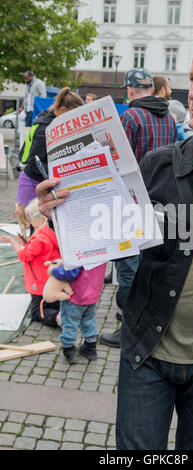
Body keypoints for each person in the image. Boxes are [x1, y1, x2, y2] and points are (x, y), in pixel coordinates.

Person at [36, 34, 193, 450]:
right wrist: (59, 215)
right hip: (146, 353)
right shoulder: (157, 166)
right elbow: (104, 235)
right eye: (192, 79)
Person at [99, 67, 178, 348]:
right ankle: (152, 324)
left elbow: (119, 162)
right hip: (159, 202)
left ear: (129, 90)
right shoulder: (168, 117)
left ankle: (128, 328)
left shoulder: (131, 116)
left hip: (130, 202)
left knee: (129, 267)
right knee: (150, 265)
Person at [16, 87, 83, 230]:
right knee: (35, 229)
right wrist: (60, 174)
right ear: (64, 110)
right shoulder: (45, 130)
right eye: (74, 114)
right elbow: (35, 162)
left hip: (37, 182)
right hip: (32, 183)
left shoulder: (49, 119)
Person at [0, 198, 61, 327]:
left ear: (37, 218)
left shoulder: (39, 238)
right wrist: (25, 242)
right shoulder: (51, 231)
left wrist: (12, 242)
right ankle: (62, 310)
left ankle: (58, 318)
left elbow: (24, 255)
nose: (28, 220)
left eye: (29, 216)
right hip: (55, 281)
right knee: (54, 301)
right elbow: (37, 250)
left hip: (41, 284)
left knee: (38, 312)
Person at [49, 261, 106, 364]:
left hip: (75, 297)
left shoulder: (79, 250)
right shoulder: (100, 252)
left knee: (69, 323)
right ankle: (90, 347)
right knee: (89, 321)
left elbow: (70, 272)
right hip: (92, 296)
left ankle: (69, 349)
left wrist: (53, 270)